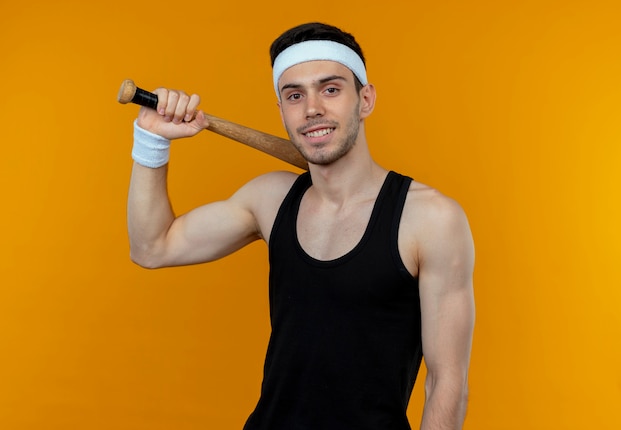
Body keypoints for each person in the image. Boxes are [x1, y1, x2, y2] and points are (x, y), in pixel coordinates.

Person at [127, 22, 475, 430]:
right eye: (295, 95)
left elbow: (447, 383)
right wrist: (151, 141)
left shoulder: (430, 219)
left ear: (365, 99)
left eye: (330, 89)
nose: (312, 108)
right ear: (282, 111)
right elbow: (151, 247)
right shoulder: (271, 200)